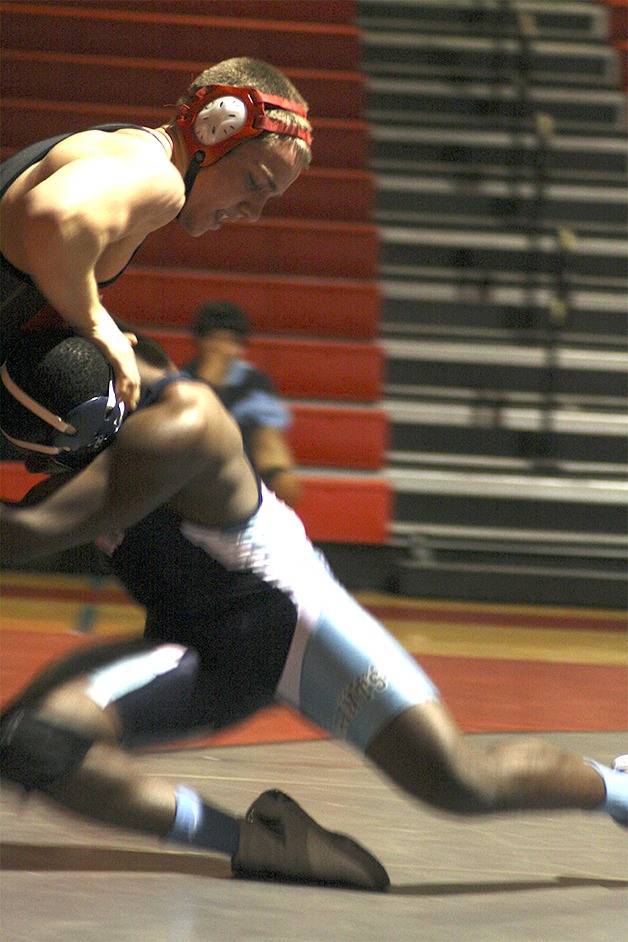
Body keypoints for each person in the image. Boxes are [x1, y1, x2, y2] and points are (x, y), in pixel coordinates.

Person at [0, 332, 625, 893]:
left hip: (297, 629)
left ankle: (620, 790)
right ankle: (255, 842)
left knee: (463, 783)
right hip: (200, 649)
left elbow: (27, 532)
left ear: (83, 432)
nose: (30, 468)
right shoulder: (103, 376)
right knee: (30, 742)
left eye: (38, 453)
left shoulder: (181, 426)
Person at [0, 56, 313, 415]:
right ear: (211, 132)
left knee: (156, 383)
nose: (253, 213)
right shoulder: (155, 174)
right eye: (254, 182)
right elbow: (54, 218)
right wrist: (95, 322)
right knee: (187, 424)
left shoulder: (124, 147)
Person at [185, 299, 300, 506]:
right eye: (214, 340)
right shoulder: (183, 378)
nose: (221, 348)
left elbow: (269, 429)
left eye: (229, 341)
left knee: (268, 440)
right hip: (193, 460)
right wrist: (208, 381)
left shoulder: (254, 381)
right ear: (200, 342)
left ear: (239, 347)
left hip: (244, 460)